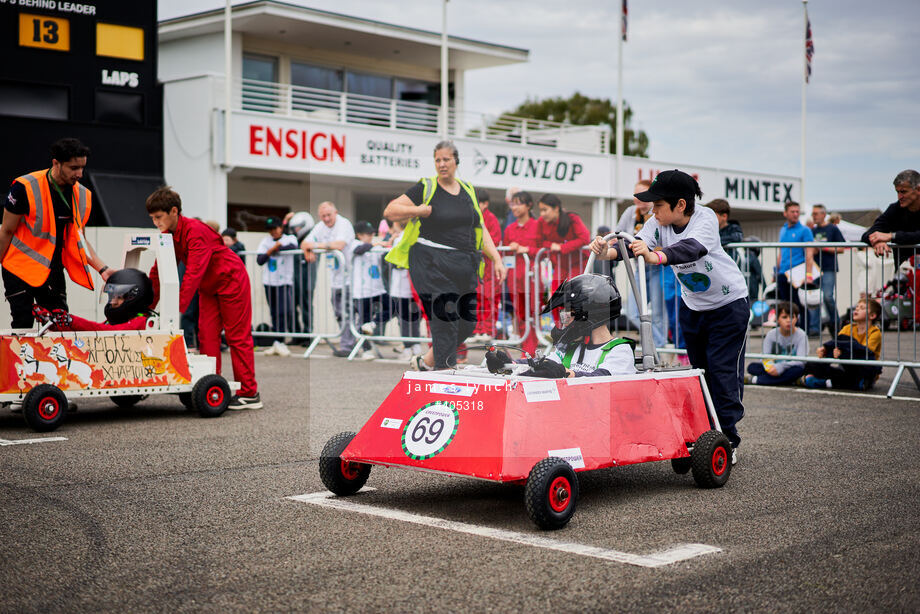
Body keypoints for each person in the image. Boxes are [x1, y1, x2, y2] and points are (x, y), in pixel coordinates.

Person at [590, 169, 748, 463]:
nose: (653, 210)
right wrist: (606, 251)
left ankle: (727, 439)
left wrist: (656, 256)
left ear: (681, 205)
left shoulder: (705, 219)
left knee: (722, 374)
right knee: (698, 375)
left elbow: (692, 249)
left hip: (728, 306)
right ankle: (704, 437)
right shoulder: (656, 222)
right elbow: (633, 244)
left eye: (659, 205)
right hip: (694, 308)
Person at [384, 140, 506, 371]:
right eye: (437, 160)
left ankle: (426, 362)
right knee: (445, 318)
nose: (441, 164)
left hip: (463, 264)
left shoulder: (468, 190)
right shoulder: (426, 187)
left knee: (467, 324)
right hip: (430, 261)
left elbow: (480, 228)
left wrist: (497, 259)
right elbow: (390, 210)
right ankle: (443, 372)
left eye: (446, 159)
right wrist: (418, 210)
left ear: (456, 161)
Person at [146, 187, 261, 410]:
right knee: (206, 336)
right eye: (152, 218)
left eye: (158, 217)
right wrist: (147, 307)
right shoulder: (168, 235)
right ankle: (210, 387)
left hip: (231, 280)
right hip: (209, 288)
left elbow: (193, 273)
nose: (155, 222)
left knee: (237, 337)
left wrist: (173, 310)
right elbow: (158, 270)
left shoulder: (195, 230)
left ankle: (250, 392)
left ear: (174, 211)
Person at [0, 138, 113, 328]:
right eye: (73, 168)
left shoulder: (82, 194)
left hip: (52, 271)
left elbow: (80, 240)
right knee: (23, 324)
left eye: (82, 167)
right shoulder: (25, 187)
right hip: (18, 268)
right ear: (56, 163)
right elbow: (7, 231)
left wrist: (103, 269)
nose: (79, 174)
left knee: (59, 326)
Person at [485, 274, 636, 378]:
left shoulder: (620, 350)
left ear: (590, 313)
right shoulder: (570, 348)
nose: (563, 319)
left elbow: (600, 379)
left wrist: (564, 373)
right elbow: (544, 365)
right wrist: (508, 364)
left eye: (569, 312)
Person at [616, 179, 667, 346]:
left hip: (657, 268)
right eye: (636, 195)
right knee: (632, 311)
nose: (639, 199)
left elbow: (662, 242)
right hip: (640, 269)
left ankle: (659, 348)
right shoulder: (631, 212)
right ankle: (655, 343)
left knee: (658, 314)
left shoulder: (657, 213)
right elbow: (619, 234)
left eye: (643, 195)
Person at [300, 202, 355, 357]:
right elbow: (304, 242)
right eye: (323, 216)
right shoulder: (320, 227)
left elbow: (339, 244)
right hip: (335, 278)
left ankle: (348, 345)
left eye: (329, 215)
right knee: (338, 312)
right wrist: (308, 250)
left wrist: (315, 246)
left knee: (347, 312)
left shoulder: (343, 224)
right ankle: (352, 341)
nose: (326, 218)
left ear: (335, 212)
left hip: (351, 278)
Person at [37, 268, 156, 331]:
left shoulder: (142, 321)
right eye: (111, 296)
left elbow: (106, 331)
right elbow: (92, 331)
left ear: (134, 297)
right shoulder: (116, 321)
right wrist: (54, 324)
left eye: (118, 297)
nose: (113, 302)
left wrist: (72, 321)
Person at [804, 298, 882, 390]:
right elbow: (837, 345)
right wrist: (825, 351)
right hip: (847, 368)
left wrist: (841, 350)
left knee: (844, 341)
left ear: (872, 315)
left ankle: (825, 382)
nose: (857, 309)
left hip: (865, 370)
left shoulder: (875, 332)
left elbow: (864, 352)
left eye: (862, 308)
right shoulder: (848, 328)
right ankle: (823, 375)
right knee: (810, 364)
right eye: (856, 307)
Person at [536, 193, 591, 325]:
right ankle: (560, 329)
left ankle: (577, 328)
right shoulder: (541, 223)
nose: (542, 214)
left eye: (545, 210)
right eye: (541, 210)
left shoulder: (572, 218)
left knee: (573, 295)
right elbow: (540, 242)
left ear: (556, 208)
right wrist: (552, 246)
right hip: (561, 263)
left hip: (578, 261)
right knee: (556, 296)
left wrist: (562, 247)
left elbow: (584, 238)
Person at [502, 190, 540, 356]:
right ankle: (527, 351)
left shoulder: (538, 226)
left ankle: (531, 352)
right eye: (512, 204)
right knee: (521, 315)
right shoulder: (510, 229)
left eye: (518, 203)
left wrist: (527, 249)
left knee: (532, 313)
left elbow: (543, 249)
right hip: (515, 280)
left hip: (533, 280)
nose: (515, 207)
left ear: (529, 205)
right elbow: (505, 255)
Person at [256, 216, 299, 357]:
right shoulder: (265, 242)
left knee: (283, 311)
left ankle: (281, 340)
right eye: (270, 229)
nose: (273, 232)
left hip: (284, 282)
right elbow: (259, 260)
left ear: (281, 227)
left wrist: (277, 247)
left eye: (275, 228)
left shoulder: (289, 238)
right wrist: (271, 250)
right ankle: (276, 341)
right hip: (269, 282)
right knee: (274, 312)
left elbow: (293, 247)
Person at [346, 220, 389, 359]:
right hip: (362, 291)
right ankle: (366, 350)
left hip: (377, 289)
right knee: (364, 319)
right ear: (359, 234)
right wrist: (375, 244)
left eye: (372, 233)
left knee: (392, 307)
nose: (370, 236)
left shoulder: (374, 246)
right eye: (367, 234)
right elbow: (359, 250)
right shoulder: (355, 244)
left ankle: (374, 324)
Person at [775, 201, 818, 335]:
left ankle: (804, 332)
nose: (795, 214)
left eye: (797, 212)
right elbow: (781, 252)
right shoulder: (783, 230)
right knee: (785, 305)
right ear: (785, 213)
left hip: (798, 274)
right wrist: (776, 271)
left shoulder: (805, 230)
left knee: (799, 305)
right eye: (792, 211)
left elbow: (809, 252)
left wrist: (809, 275)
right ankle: (789, 332)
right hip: (783, 273)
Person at [861, 169, 920, 263]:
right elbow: (868, 234)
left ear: (918, 190)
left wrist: (891, 236)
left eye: (903, 192)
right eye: (897, 192)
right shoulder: (895, 209)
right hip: (903, 272)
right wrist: (877, 241)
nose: (899, 196)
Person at [745, 302, 808, 386]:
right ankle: (791, 381)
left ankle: (756, 380)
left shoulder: (801, 335)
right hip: (773, 368)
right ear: (777, 319)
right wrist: (771, 367)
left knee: (798, 370)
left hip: (790, 367)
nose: (789, 320)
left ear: (797, 318)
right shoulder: (771, 334)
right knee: (752, 367)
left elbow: (801, 361)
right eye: (784, 317)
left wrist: (781, 366)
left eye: (792, 317)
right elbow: (765, 356)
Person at [385, 220, 422, 360]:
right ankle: (413, 345)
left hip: (403, 286)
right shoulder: (411, 237)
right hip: (409, 286)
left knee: (406, 319)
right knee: (412, 318)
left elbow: (394, 260)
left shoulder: (401, 239)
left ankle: (409, 347)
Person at [470, 187, 502, 342]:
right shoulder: (472, 217)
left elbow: (493, 241)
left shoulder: (491, 219)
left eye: (480, 203)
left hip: (489, 267)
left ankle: (488, 330)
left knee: (489, 299)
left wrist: (478, 249)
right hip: (476, 267)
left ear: (486, 204)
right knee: (476, 299)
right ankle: (477, 330)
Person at [810, 203, 846, 333]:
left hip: (828, 268)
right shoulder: (812, 231)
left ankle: (835, 323)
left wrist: (823, 248)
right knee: (813, 297)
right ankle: (814, 327)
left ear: (823, 214)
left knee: (827, 296)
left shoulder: (832, 229)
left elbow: (842, 248)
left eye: (816, 214)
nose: (813, 216)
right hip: (814, 269)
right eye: (812, 214)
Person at [284, 211, 316, 337]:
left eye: (297, 227)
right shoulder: (293, 240)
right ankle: (295, 334)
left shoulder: (312, 237)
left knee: (306, 304)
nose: (295, 230)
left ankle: (307, 334)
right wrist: (285, 221)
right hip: (294, 277)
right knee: (292, 305)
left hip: (307, 276)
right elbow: (283, 235)